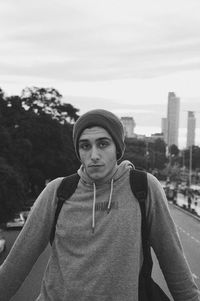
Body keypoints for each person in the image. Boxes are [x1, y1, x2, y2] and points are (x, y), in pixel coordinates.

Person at [0, 109, 199, 301]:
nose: (94, 155)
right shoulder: (57, 192)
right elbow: (15, 266)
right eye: (85, 146)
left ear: (118, 149)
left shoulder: (144, 188)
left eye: (103, 144)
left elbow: (175, 268)